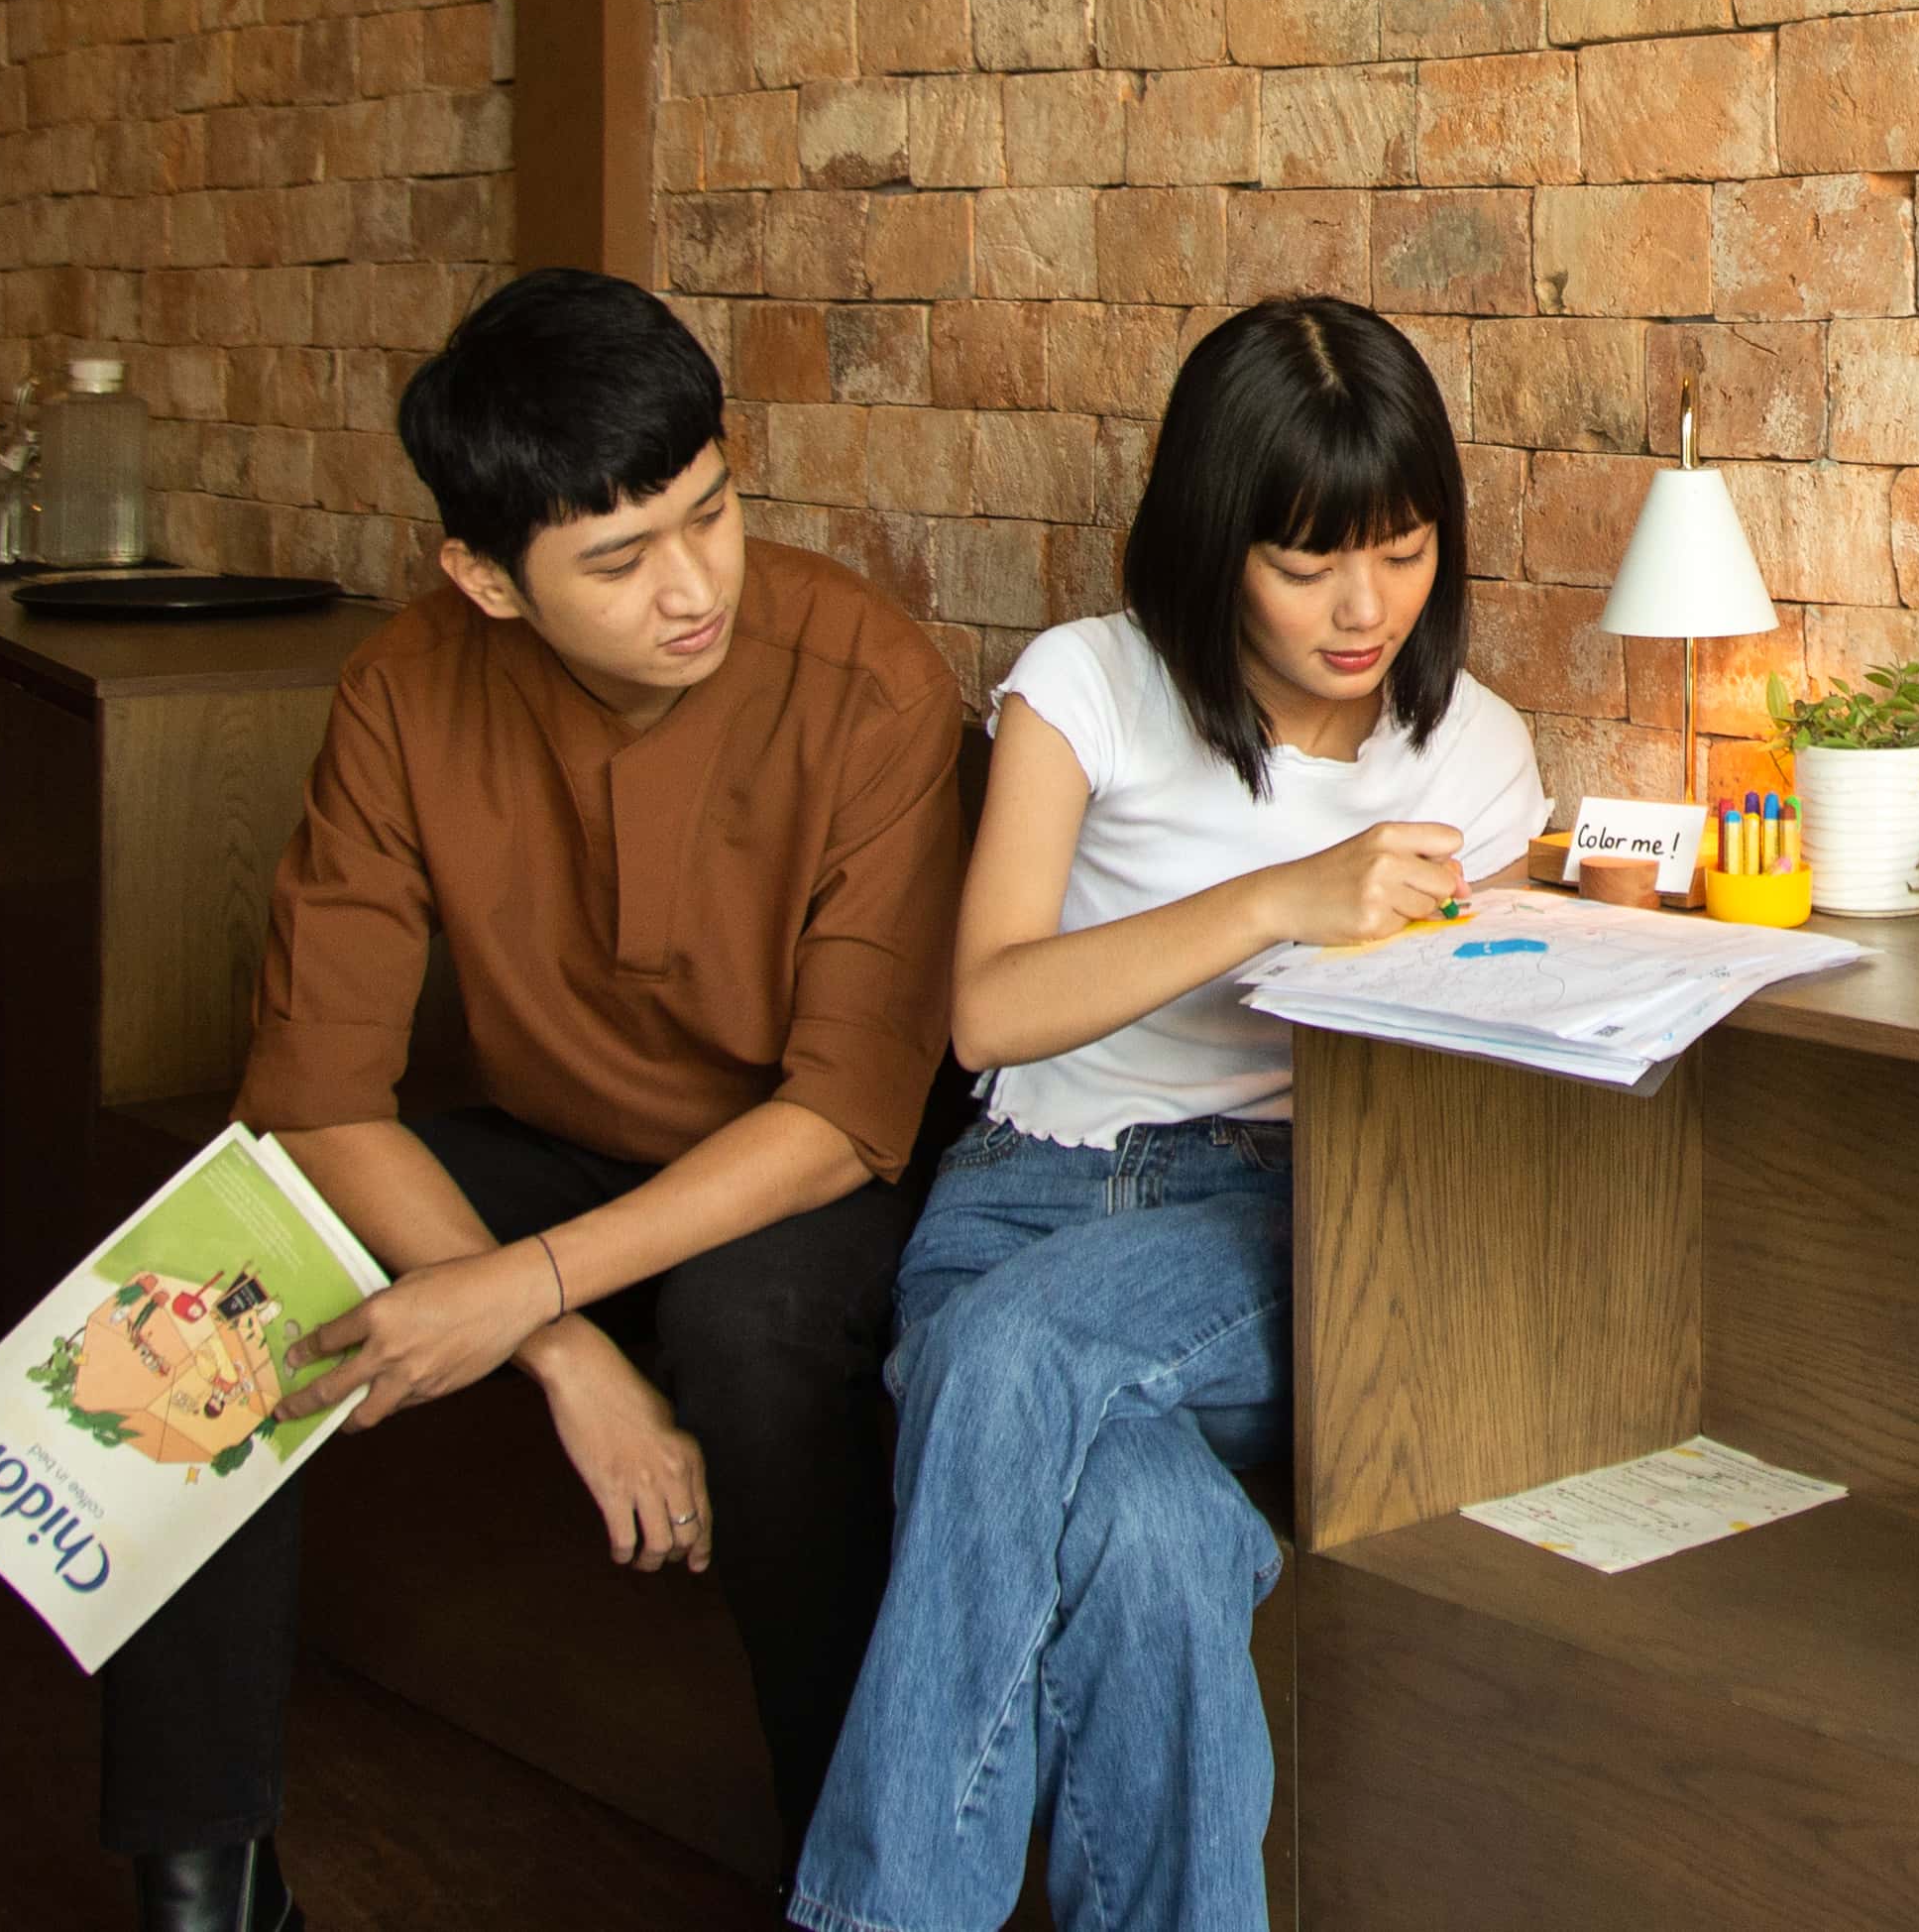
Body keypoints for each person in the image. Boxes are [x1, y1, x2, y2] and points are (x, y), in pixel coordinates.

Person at [101, 270, 968, 1932]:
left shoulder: (865, 677)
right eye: (620, 560)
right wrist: (556, 1343)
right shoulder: (404, 687)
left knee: (751, 1334)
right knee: (213, 1269)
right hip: (548, 1157)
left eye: (710, 511)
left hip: (789, 1185)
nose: (695, 586)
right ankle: (208, 1886)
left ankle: (854, 1878)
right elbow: (317, 1095)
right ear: (487, 579)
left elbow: (844, 1117)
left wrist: (516, 1292)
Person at [785, 296, 1544, 1932]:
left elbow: (1464, 1081)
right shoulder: (1089, 685)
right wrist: (1280, 898)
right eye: (1307, 562)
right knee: (1152, 1539)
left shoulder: (1476, 755)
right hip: (1022, 1196)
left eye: (1405, 552)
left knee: (1010, 1359)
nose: (1366, 608)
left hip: (1277, 1225)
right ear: (1214, 540)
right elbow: (988, 1010)